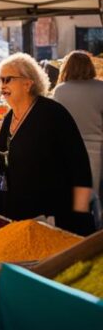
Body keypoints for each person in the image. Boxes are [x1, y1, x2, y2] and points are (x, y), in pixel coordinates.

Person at [0, 54, 93, 235]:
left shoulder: (53, 114)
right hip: (17, 217)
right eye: (0, 79)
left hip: (54, 216)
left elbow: (80, 166)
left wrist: (81, 214)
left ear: (28, 83)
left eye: (8, 79)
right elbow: (2, 165)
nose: (2, 85)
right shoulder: (8, 117)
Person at [52, 50, 103, 225]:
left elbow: (54, 123)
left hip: (65, 150)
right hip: (96, 150)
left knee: (71, 195)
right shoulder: (100, 88)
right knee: (94, 195)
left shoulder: (60, 90)